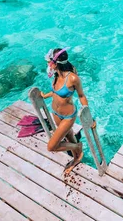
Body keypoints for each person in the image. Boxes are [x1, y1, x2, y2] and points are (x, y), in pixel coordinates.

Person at [40, 47, 93, 175]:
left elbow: (81, 96)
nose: (48, 64)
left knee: (51, 146)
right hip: (56, 113)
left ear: (55, 62)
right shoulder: (57, 74)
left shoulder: (73, 78)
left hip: (68, 115)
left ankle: (77, 147)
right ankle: (77, 156)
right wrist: (44, 96)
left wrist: (89, 118)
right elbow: (55, 92)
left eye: (49, 61)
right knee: (69, 136)